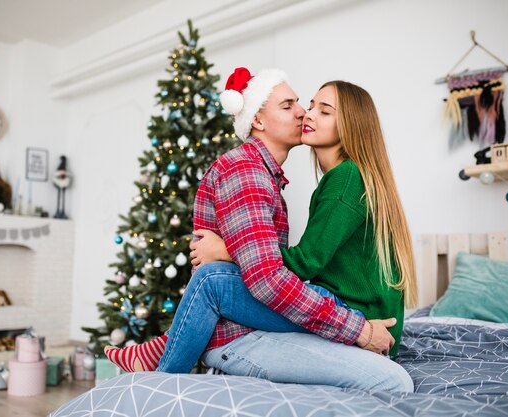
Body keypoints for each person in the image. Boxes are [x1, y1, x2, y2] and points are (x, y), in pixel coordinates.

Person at [105, 67, 416, 392]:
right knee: (213, 281)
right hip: (318, 315)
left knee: (214, 280)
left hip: (353, 309)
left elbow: (302, 262)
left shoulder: (343, 177)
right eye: (296, 105)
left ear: (350, 124)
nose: (304, 114)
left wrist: (226, 251)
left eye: (321, 110)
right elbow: (269, 275)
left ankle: (159, 367)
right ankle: (158, 392)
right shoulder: (251, 172)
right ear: (258, 120)